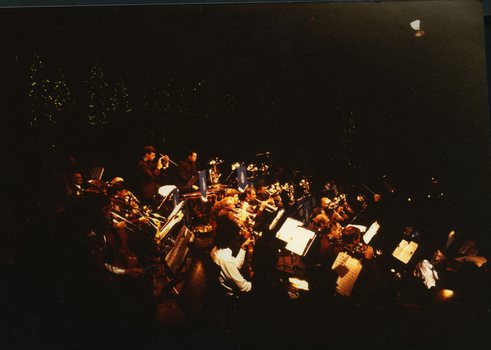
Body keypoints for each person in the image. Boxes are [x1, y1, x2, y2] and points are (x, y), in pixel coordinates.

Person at [210, 215, 254, 297]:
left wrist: (243, 248)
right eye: (235, 237)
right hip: (233, 297)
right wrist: (259, 287)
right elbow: (244, 287)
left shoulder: (216, 249)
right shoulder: (225, 259)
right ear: (231, 238)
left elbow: (235, 266)